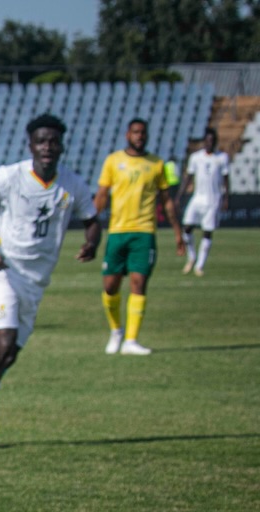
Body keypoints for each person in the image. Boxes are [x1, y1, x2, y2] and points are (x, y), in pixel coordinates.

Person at [0, 115, 100, 448]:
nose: (47, 147)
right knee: (3, 342)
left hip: (35, 278)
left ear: (61, 146)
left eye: (53, 141)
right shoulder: (9, 176)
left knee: (8, 354)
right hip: (1, 270)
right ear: (30, 145)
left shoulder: (72, 184)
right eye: (41, 141)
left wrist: (92, 242)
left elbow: (92, 219)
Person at [95, 118, 184, 356]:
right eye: (135, 132)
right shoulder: (113, 161)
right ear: (128, 135)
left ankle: (131, 340)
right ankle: (116, 330)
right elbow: (102, 194)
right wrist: (91, 223)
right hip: (117, 231)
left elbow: (167, 201)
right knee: (110, 286)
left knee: (138, 283)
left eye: (143, 132)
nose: (139, 136)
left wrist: (177, 232)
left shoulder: (156, 164)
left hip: (144, 232)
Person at [179, 128, 230, 278]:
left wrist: (226, 198)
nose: (210, 143)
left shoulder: (222, 158)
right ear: (204, 141)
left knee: (207, 232)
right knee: (187, 228)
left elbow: (226, 179)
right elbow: (189, 176)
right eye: (207, 140)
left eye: (212, 141)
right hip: (197, 198)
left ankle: (199, 266)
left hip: (213, 199)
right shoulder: (196, 157)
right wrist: (179, 196)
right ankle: (192, 256)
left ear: (215, 142)